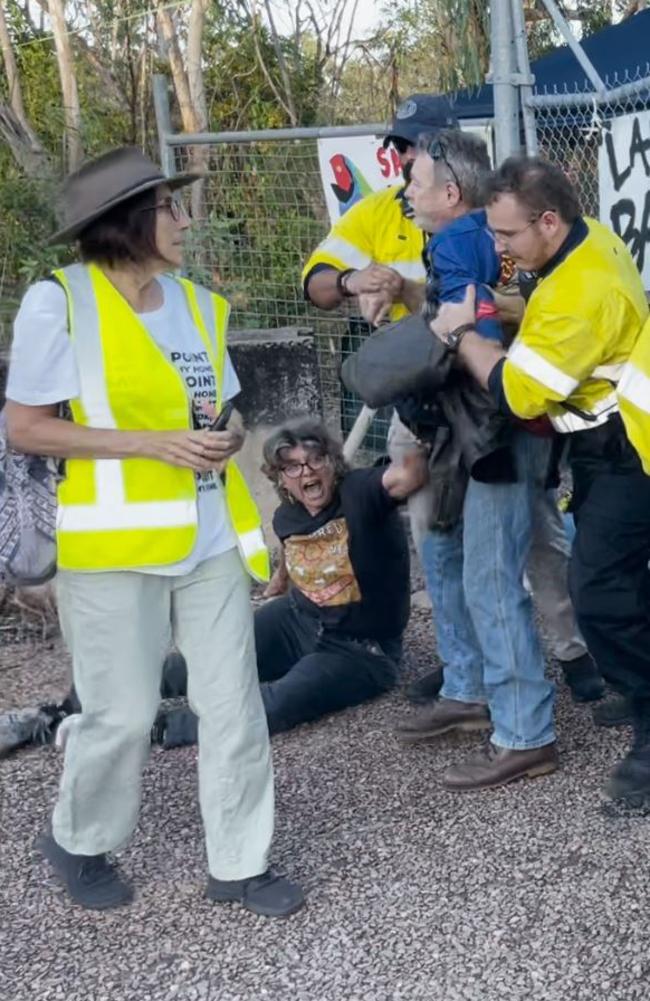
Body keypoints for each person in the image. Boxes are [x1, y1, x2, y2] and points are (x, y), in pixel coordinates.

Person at [4, 147, 303, 917]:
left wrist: (226, 435)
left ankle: (242, 860)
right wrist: (151, 443)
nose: (182, 220)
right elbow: (28, 428)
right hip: (110, 548)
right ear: (126, 222)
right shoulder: (59, 302)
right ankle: (78, 836)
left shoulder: (199, 304)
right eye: (169, 207)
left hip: (206, 537)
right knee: (124, 713)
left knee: (233, 701)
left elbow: (223, 408)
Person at [429, 156, 650, 807]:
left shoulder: (582, 293)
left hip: (627, 449)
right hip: (607, 442)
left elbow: (519, 394)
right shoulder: (583, 242)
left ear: (548, 221)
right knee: (623, 584)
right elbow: (546, 309)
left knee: (600, 593)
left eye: (507, 235)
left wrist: (464, 331)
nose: (497, 247)